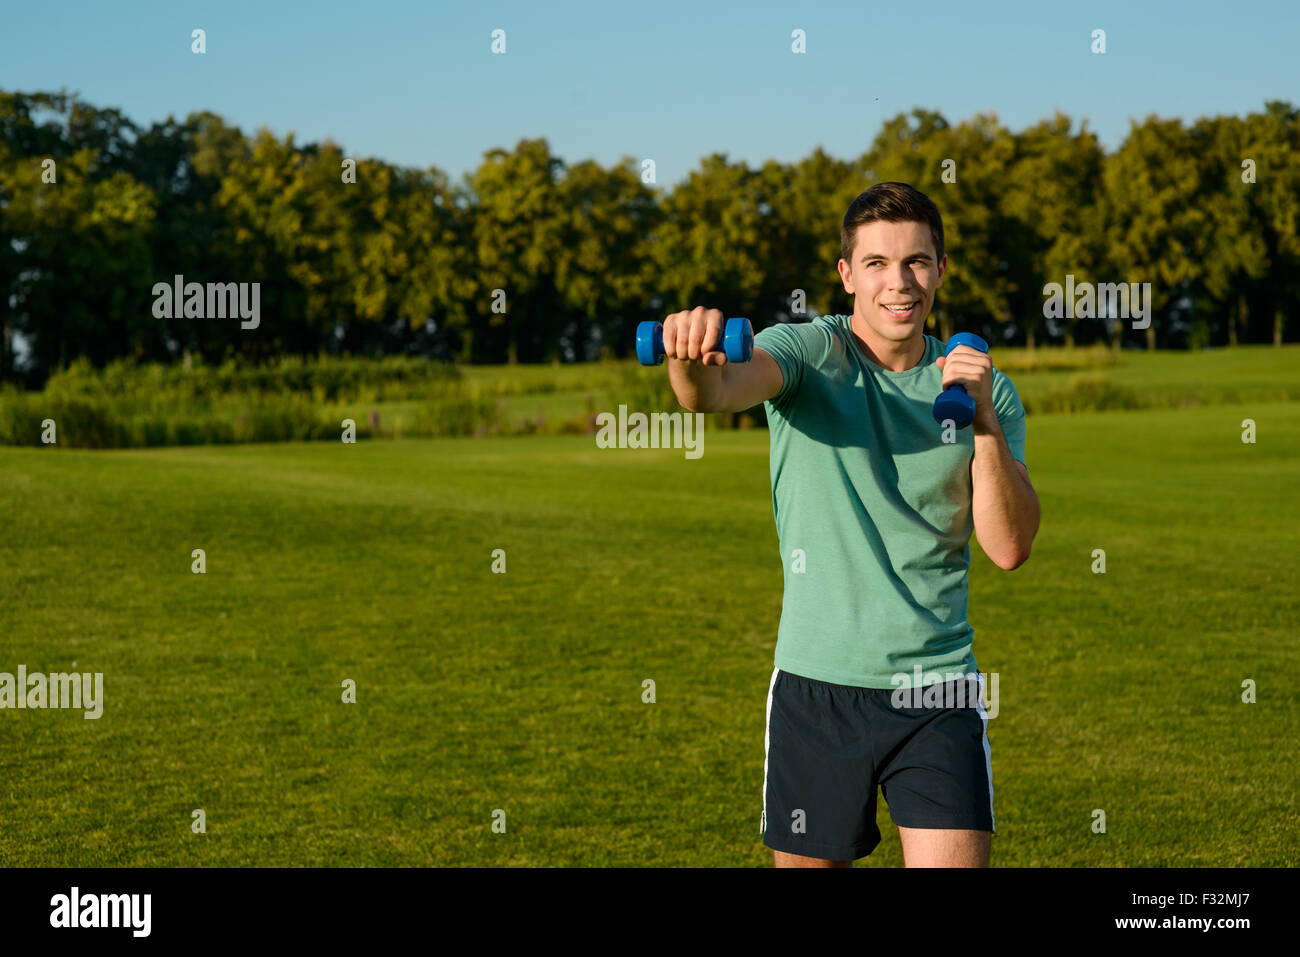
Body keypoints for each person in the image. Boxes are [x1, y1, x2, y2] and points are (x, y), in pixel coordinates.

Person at [662, 182, 1040, 867]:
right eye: (877, 263)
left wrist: (984, 424)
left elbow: (1009, 546)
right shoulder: (808, 354)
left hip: (938, 688)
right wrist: (685, 362)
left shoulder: (985, 388)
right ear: (846, 275)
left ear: (941, 269)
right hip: (817, 687)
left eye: (917, 262)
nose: (900, 283)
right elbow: (714, 395)